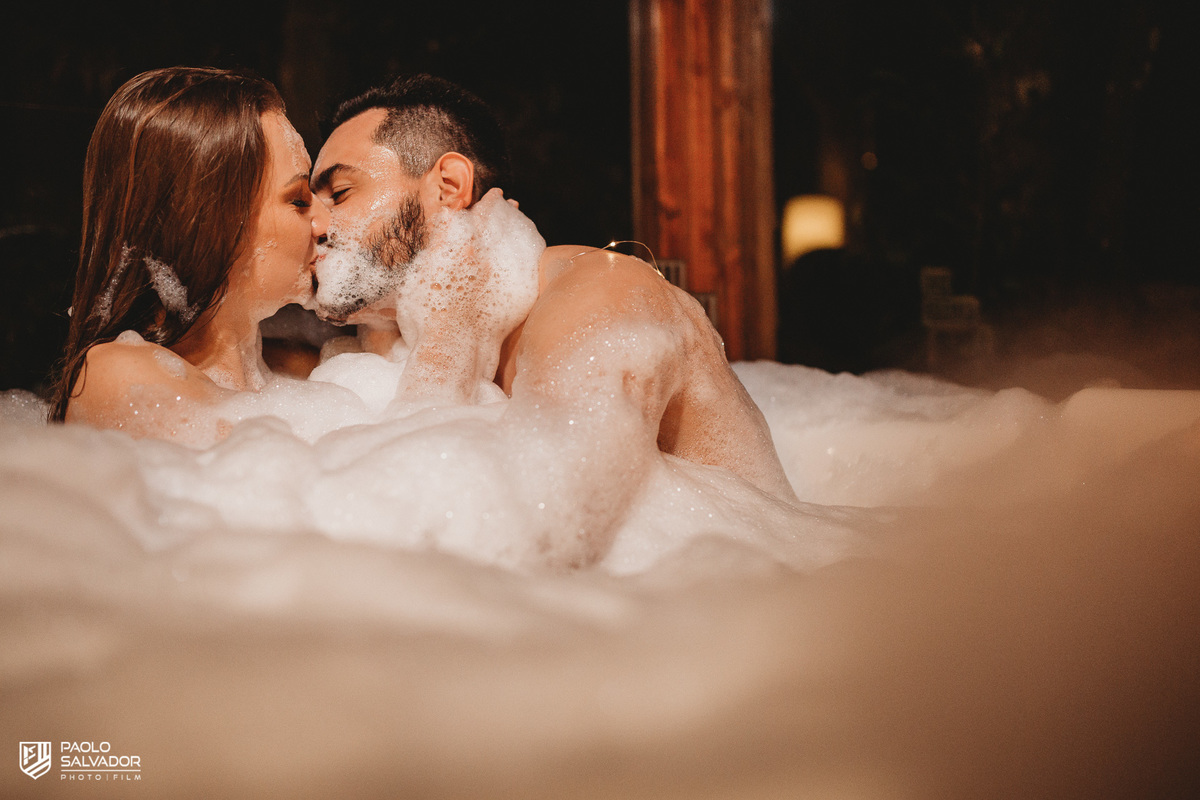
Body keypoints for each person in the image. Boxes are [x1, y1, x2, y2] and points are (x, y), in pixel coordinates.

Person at [308, 74, 798, 566]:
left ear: (449, 187)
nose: (316, 224)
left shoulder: (602, 293)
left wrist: (450, 334)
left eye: (342, 192)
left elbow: (542, 536)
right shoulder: (389, 349)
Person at [47, 67, 329, 444]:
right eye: (298, 200)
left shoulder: (297, 374)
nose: (326, 222)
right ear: (213, 221)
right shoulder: (117, 377)